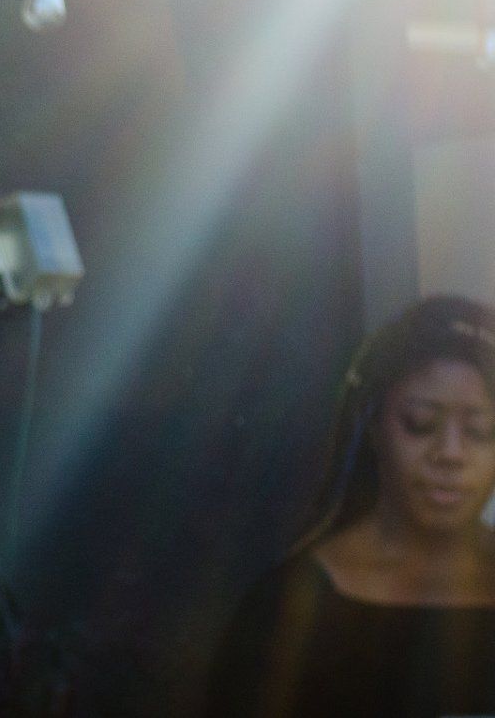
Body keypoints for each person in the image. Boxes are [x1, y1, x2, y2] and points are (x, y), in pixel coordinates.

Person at [205, 293, 495, 718]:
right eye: (420, 424)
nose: (450, 453)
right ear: (374, 426)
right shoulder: (287, 615)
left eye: (480, 431)